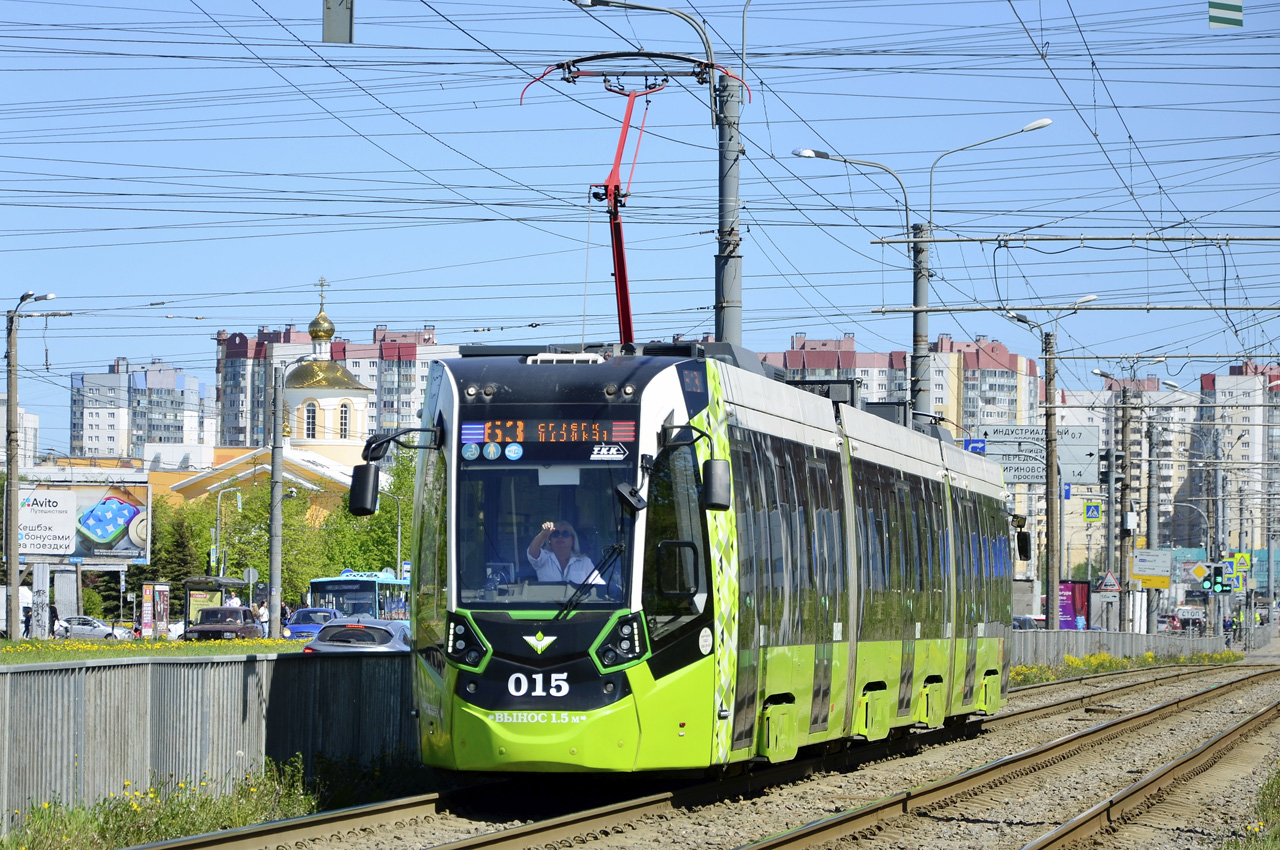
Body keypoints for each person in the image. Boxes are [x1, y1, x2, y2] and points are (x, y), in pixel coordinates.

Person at [527, 521, 601, 585]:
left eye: (565, 534)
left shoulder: (585, 562)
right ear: (550, 540)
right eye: (555, 533)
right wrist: (543, 534)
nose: (560, 536)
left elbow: (598, 585)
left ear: (572, 540)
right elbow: (532, 553)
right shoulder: (544, 558)